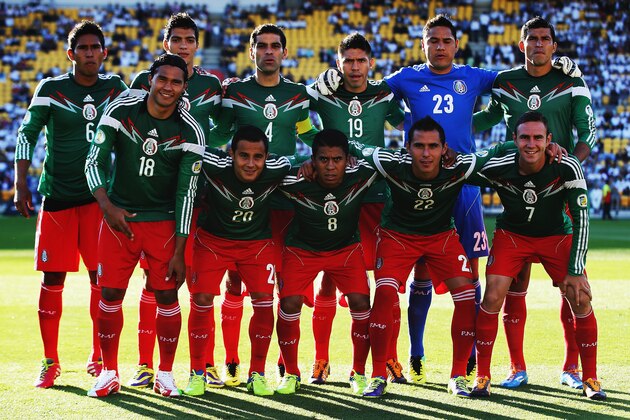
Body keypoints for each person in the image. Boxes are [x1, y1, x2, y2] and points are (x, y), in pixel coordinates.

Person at [473, 16, 597, 389]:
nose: (539, 44)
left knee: (571, 286)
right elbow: (486, 118)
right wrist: (448, 130)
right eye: (533, 39)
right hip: (516, 194)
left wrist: (567, 165)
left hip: (556, 189)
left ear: (554, 46)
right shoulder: (506, 82)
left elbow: (587, 133)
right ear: (521, 44)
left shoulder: (571, 81)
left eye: (546, 39)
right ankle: (516, 367)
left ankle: (572, 369)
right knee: (514, 285)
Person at [351, 116, 514, 398]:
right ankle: (378, 375)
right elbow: (354, 146)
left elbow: (496, 151)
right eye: (419, 146)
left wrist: (534, 144)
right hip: (397, 238)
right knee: (386, 296)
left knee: (466, 297)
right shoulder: (390, 163)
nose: (426, 154)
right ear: (407, 147)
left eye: (433, 146)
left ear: (444, 148)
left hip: (441, 238)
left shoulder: (458, 166)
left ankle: (458, 376)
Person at [13, 20, 127, 389]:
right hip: (58, 198)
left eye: (96, 48)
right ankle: (50, 360)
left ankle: (98, 356)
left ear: (104, 53)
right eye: (83, 48)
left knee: (101, 279)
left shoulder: (116, 88)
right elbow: (26, 134)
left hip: (98, 200)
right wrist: (20, 183)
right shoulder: (51, 88)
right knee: (53, 278)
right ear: (71, 53)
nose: (90, 53)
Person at [84, 53, 204, 398]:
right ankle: (108, 372)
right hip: (119, 217)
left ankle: (164, 374)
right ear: (150, 80)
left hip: (163, 222)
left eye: (176, 82)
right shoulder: (123, 109)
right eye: (162, 79)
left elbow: (187, 192)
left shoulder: (189, 129)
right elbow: (94, 159)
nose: (168, 87)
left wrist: (180, 249)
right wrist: (107, 207)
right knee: (109, 294)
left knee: (166, 295)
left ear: (184, 88)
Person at [210, 23, 319, 386]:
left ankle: (286, 364)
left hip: (285, 199)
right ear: (252, 51)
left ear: (285, 53)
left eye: (275, 46)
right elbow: (221, 134)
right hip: (245, 200)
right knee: (234, 282)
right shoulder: (234, 92)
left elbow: (306, 132)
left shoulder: (298, 94)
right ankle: (231, 359)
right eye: (262, 46)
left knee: (284, 286)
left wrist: (335, 152)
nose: (269, 51)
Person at [470, 111, 605, 401]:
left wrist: (576, 268)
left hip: (556, 236)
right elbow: (465, 167)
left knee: (579, 296)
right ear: (515, 140)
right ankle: (484, 375)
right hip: (513, 235)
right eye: (524, 138)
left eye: (538, 138)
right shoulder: (501, 163)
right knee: (493, 295)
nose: (531, 144)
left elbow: (582, 218)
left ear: (549, 140)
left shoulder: (566, 165)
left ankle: (590, 377)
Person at [127, 12, 224, 390]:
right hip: (155, 198)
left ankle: (206, 363)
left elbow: (226, 125)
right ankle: (145, 364)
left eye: (189, 40)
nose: (183, 45)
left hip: (199, 194)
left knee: (202, 284)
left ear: (197, 45)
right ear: (166, 43)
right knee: (155, 285)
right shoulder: (142, 81)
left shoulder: (214, 86)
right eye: (177, 39)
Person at [307, 32, 405, 385]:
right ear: (338, 63)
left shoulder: (384, 94)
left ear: (371, 63)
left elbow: (406, 124)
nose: (354, 67)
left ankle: (388, 357)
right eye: (347, 60)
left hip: (378, 196)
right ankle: (321, 360)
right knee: (330, 281)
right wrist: (317, 150)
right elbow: (297, 117)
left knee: (385, 282)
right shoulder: (323, 93)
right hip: (336, 197)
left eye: (360, 60)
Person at [184, 125, 292, 397]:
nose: (251, 163)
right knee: (202, 301)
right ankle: (197, 372)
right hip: (212, 242)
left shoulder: (277, 168)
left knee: (265, 305)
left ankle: (257, 373)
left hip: (257, 245)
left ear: (267, 157)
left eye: (258, 157)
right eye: (243, 156)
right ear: (231, 153)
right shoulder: (214, 164)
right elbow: (188, 147)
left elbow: (297, 163)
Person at [275, 129, 376, 395]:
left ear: (347, 159)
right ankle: (291, 373)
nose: (330, 167)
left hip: (346, 250)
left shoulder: (361, 174)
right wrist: (298, 162)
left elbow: (389, 157)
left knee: (361, 302)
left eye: (337, 159)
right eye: (323, 159)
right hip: (302, 250)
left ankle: (359, 372)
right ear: (313, 159)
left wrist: (359, 153)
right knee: (289, 302)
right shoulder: (296, 178)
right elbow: (264, 170)